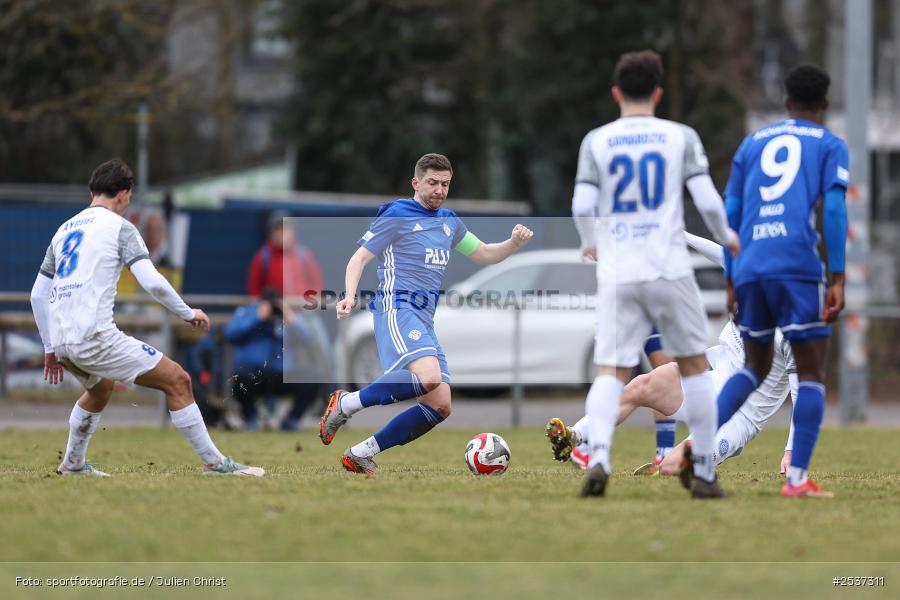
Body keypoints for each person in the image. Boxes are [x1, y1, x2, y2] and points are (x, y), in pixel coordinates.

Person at [571, 50, 740, 499]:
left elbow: (582, 206)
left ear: (615, 93)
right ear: (659, 93)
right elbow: (705, 200)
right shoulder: (679, 136)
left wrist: (589, 239)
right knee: (695, 369)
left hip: (620, 270)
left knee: (611, 371)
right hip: (669, 268)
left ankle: (600, 458)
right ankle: (703, 470)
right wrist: (729, 239)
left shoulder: (597, 140)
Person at [29, 158, 263, 477]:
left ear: (92, 192)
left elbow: (37, 295)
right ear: (125, 194)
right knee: (178, 380)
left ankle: (72, 464)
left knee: (100, 389)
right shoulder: (120, 228)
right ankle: (215, 463)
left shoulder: (63, 231)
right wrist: (187, 312)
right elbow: (151, 280)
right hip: (94, 337)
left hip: (63, 341)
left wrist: (49, 348)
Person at [319, 153, 533, 475]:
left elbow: (485, 254)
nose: (439, 190)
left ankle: (361, 453)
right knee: (429, 378)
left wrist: (513, 243)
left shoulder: (449, 222)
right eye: (432, 183)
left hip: (424, 317)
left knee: (440, 403)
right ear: (416, 183)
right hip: (397, 306)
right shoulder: (397, 214)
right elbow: (359, 258)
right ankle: (346, 403)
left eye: (445, 184)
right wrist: (349, 296)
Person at [547, 233, 798, 478]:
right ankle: (575, 437)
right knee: (640, 386)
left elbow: (801, 396)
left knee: (671, 466)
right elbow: (720, 253)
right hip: (710, 381)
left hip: (740, 416)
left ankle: (675, 462)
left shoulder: (792, 328)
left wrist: (791, 452)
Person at [714, 64, 847, 498]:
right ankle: (796, 479)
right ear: (824, 105)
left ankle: (699, 455)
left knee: (754, 367)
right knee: (809, 374)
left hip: (750, 266)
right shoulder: (830, 144)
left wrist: (732, 276)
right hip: (796, 267)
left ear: (786, 102)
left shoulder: (751, 144)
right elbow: (832, 210)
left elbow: (730, 212)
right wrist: (839, 275)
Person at [223, 287, 319, 431]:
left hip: (281, 374)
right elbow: (230, 334)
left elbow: (307, 339)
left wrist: (289, 317)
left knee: (313, 376)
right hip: (253, 374)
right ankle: (250, 419)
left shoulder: (287, 317)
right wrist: (258, 318)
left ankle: (291, 421)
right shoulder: (249, 312)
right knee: (240, 376)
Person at [247, 209, 323, 299]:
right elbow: (254, 290)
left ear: (292, 232)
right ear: (271, 233)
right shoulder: (262, 257)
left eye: (286, 229)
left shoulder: (304, 255)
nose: (282, 233)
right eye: (278, 229)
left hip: (303, 310)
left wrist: (311, 304)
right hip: (275, 311)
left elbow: (316, 283)